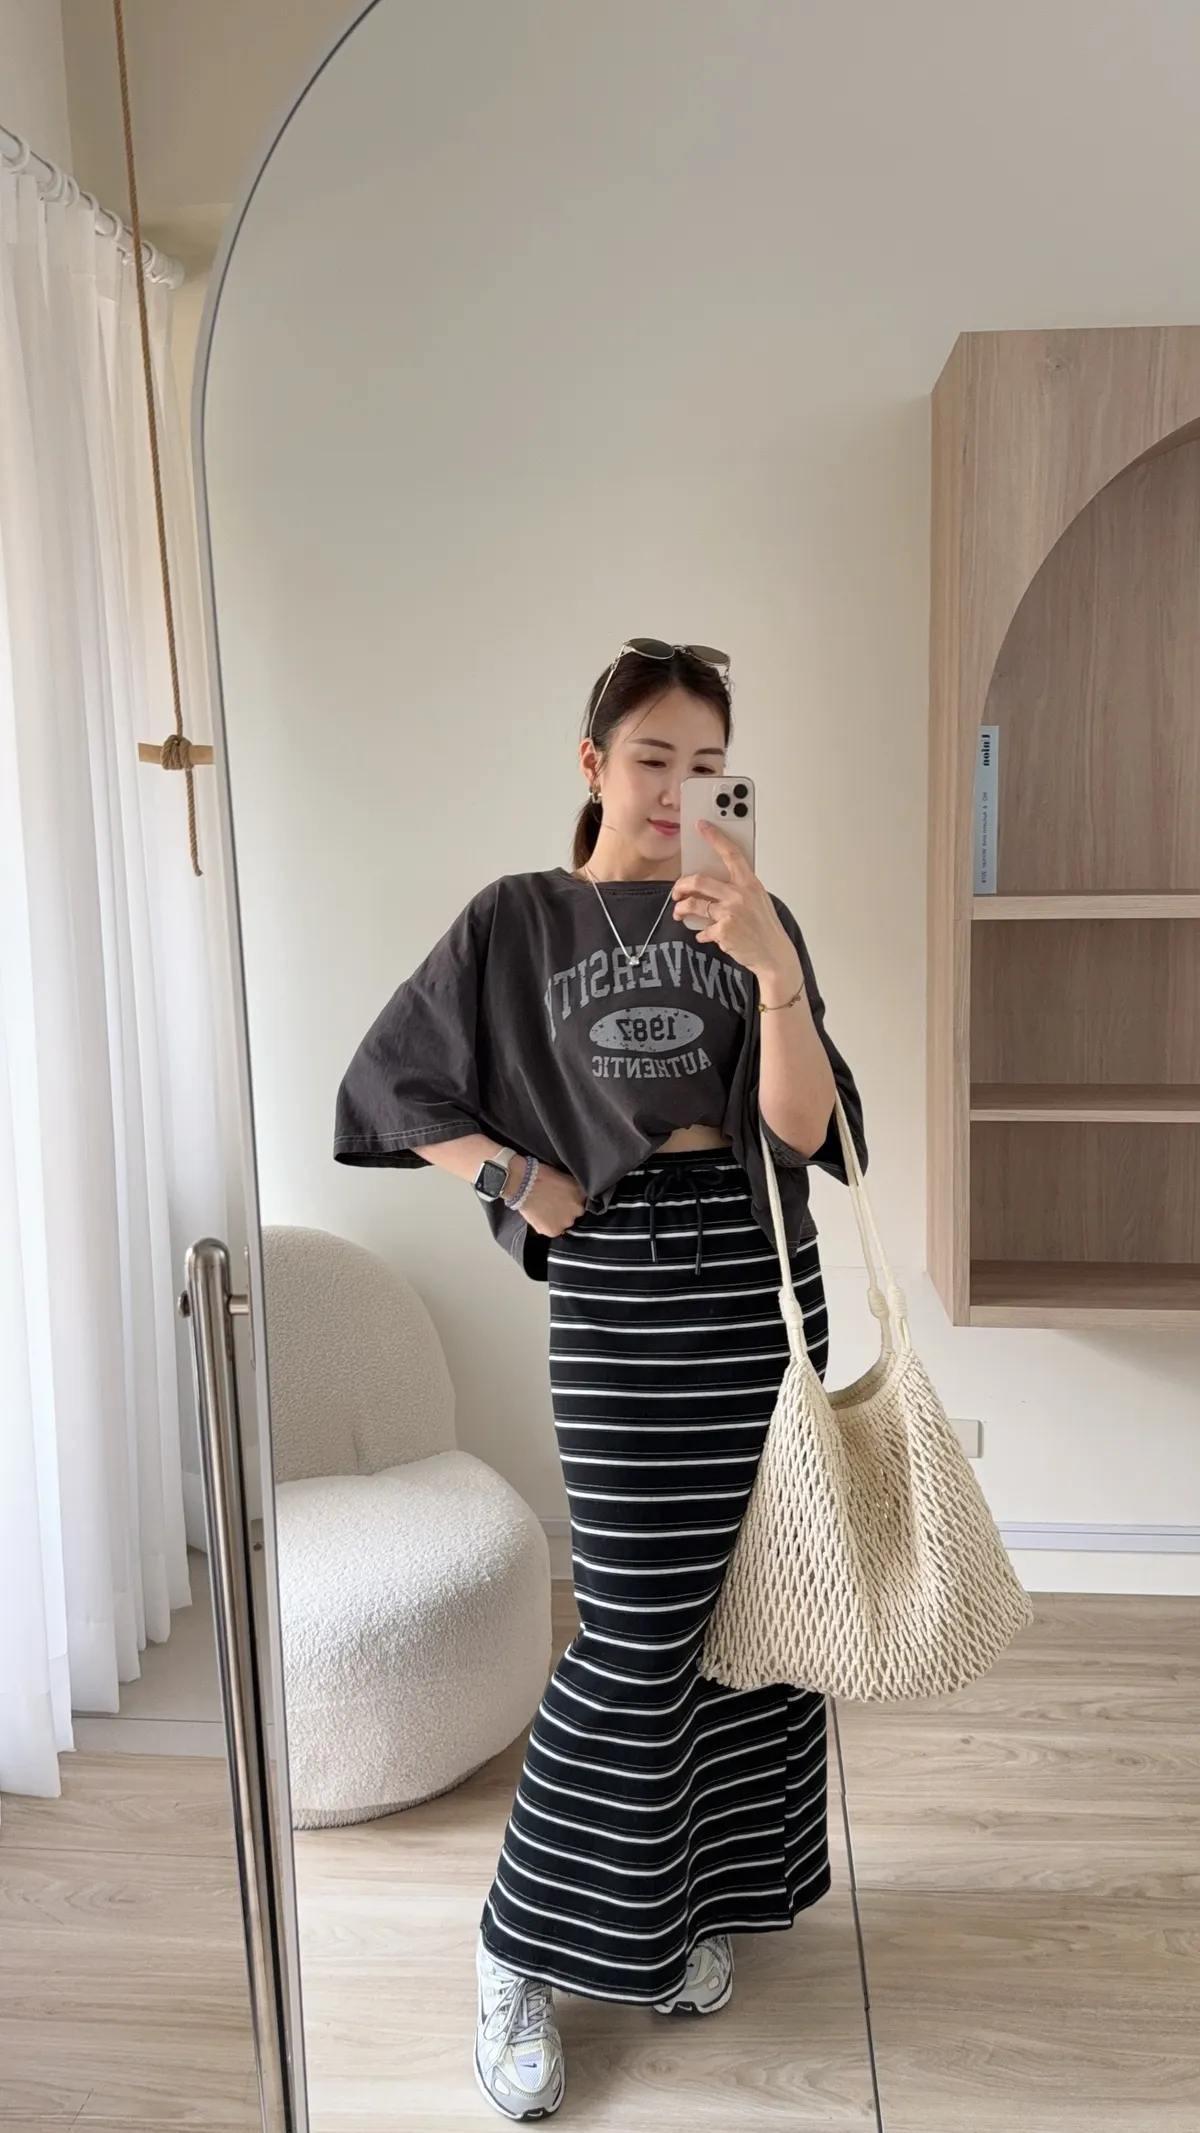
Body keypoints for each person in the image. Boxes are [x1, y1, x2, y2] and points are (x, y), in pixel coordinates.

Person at [333, 638, 866, 2122]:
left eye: (709, 766)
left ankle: (678, 1911)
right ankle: (513, 1949)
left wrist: (774, 974)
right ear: (592, 764)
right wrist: (516, 1177)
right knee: (633, 1635)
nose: (680, 790)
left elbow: (807, 1132)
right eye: (653, 760)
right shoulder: (517, 920)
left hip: (760, 1280)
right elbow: (389, 1084)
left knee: (753, 1618)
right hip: (623, 1286)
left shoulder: (752, 917)